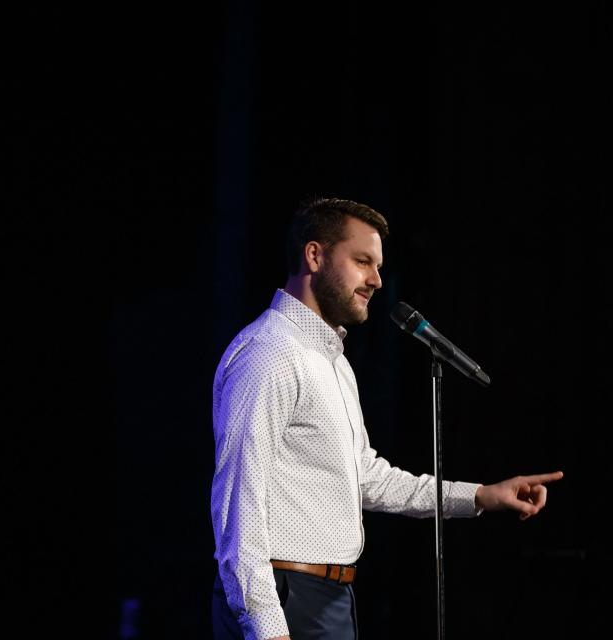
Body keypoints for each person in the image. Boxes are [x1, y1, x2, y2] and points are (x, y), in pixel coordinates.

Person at [209, 197, 563, 640]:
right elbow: (237, 505)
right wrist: (266, 625)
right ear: (314, 255)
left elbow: (366, 478)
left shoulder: (332, 361)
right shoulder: (271, 354)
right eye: (362, 262)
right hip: (284, 599)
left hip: (328, 599)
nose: (376, 280)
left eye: (377, 266)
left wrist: (480, 496)